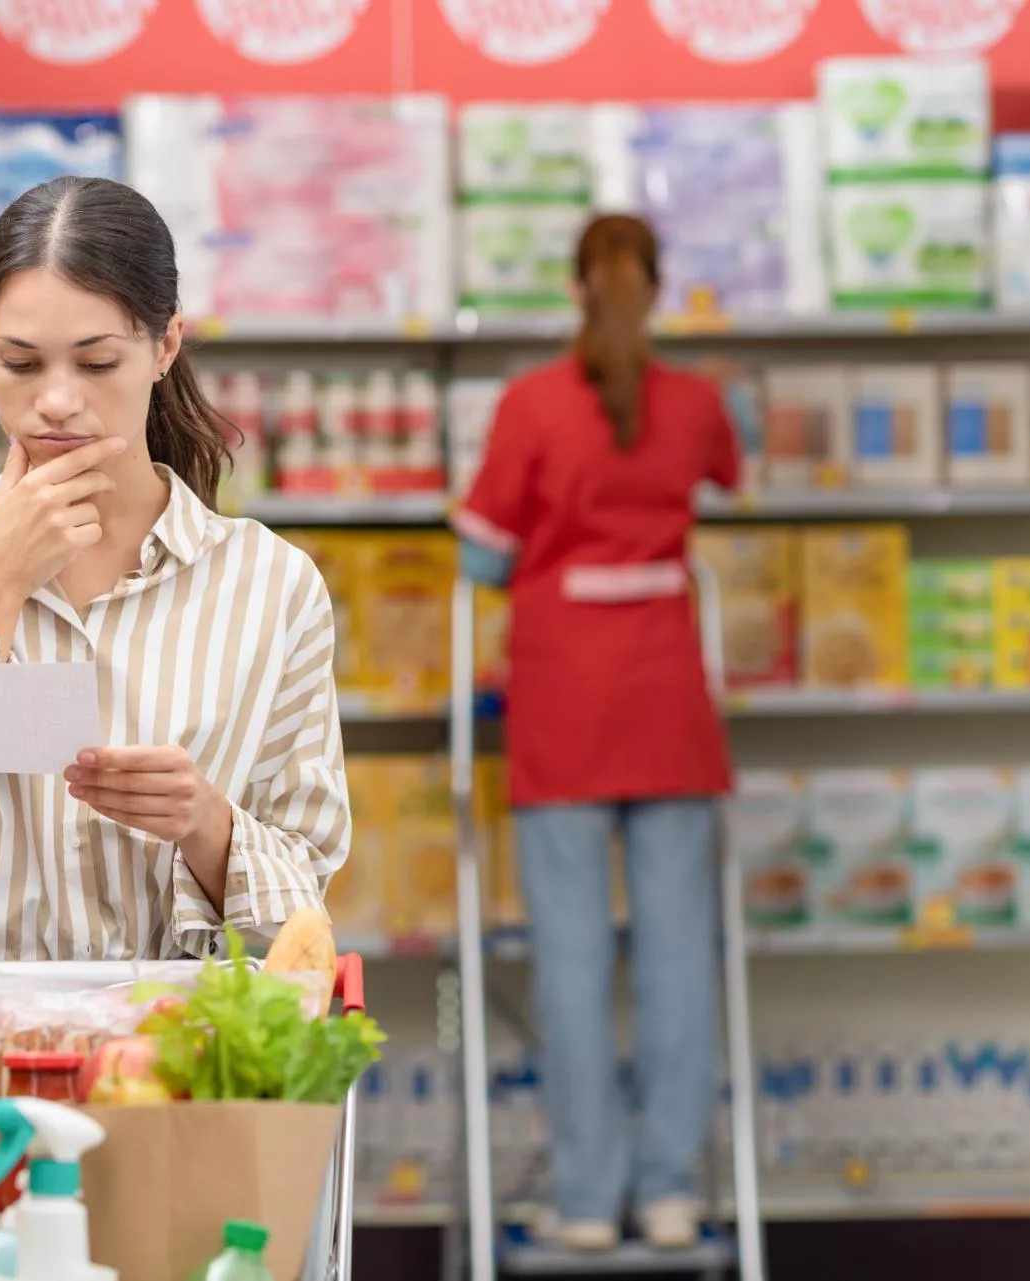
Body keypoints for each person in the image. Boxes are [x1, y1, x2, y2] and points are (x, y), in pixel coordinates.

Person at [0, 176, 349, 964]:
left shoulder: (271, 589)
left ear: (165, 345)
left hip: (166, 1055)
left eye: (97, 361)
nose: (57, 401)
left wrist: (207, 823)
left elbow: (299, 925)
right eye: (21, 363)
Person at [452, 215, 738, 1253]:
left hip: (566, 702)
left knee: (570, 962)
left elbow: (484, 556)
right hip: (667, 704)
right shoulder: (698, 403)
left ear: (577, 288)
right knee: (677, 960)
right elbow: (727, 479)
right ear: (655, 290)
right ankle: (669, 1193)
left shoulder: (531, 407)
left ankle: (584, 1200)